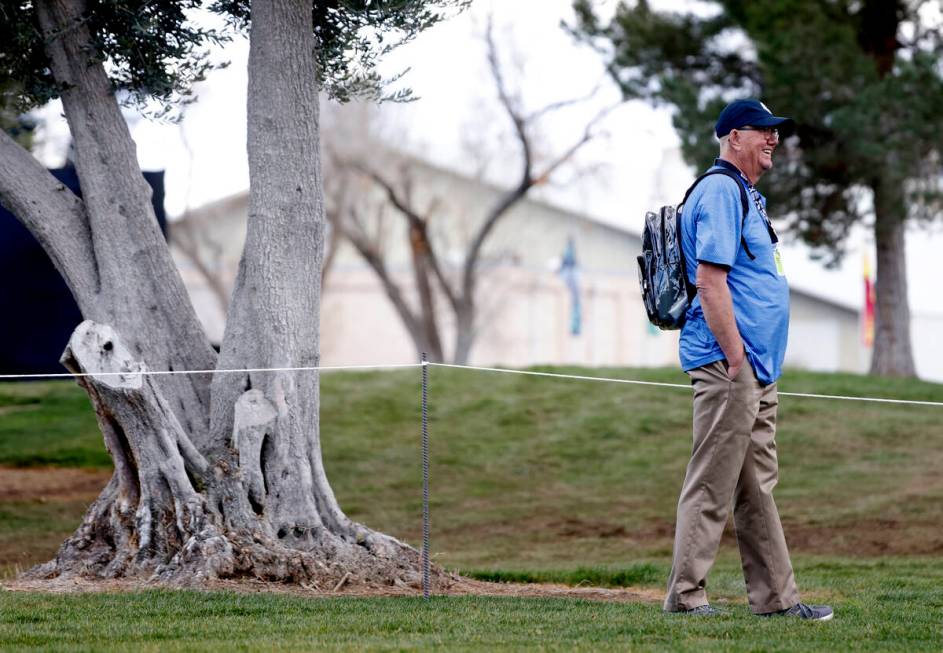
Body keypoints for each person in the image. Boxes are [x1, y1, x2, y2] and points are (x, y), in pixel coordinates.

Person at [662, 99, 833, 621]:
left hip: (757, 367)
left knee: (756, 486)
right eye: (763, 130)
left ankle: (778, 601)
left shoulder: (745, 194)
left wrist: (754, 364)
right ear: (734, 137)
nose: (773, 138)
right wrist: (736, 358)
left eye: (775, 131)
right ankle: (686, 597)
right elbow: (710, 284)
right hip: (729, 363)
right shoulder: (719, 190)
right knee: (712, 481)